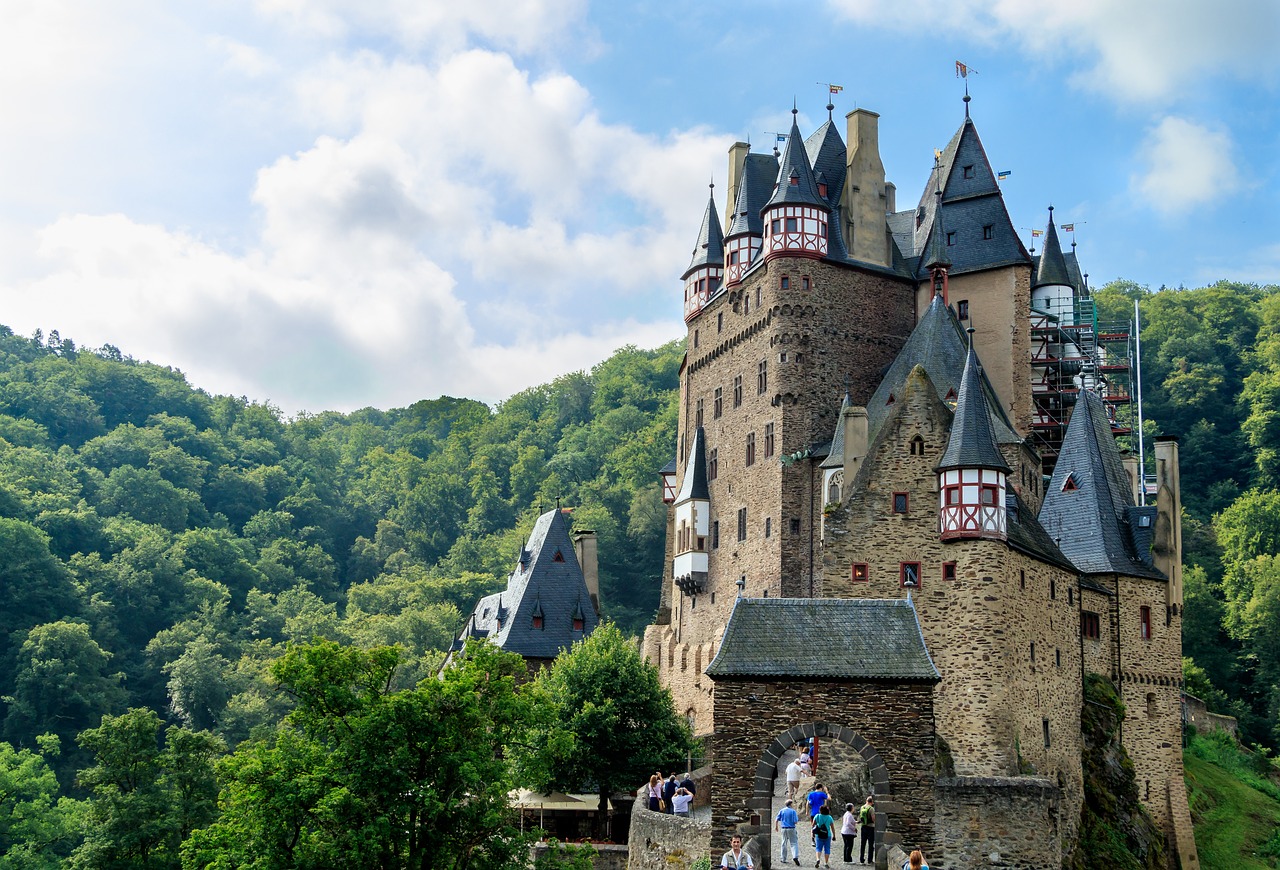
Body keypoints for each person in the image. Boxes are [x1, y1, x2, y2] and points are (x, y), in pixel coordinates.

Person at [775, 798, 800, 866]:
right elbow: (795, 821)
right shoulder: (793, 811)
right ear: (791, 804)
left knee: (784, 843)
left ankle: (783, 858)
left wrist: (776, 827)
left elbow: (776, 819)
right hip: (791, 828)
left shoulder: (782, 810)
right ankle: (795, 856)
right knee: (794, 843)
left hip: (783, 828)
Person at [812, 802, 835, 868]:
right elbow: (832, 827)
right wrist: (834, 835)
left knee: (818, 848)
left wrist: (813, 834)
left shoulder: (817, 816)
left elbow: (813, 825)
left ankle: (818, 859)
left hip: (819, 834)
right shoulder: (829, 817)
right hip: (828, 835)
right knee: (827, 849)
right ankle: (826, 863)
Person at [858, 796, 876, 864]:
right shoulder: (871, 808)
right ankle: (869, 860)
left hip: (863, 827)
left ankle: (861, 859)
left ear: (866, 801)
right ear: (872, 802)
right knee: (870, 844)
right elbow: (873, 818)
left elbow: (860, 817)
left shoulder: (862, 807)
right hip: (870, 827)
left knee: (863, 844)